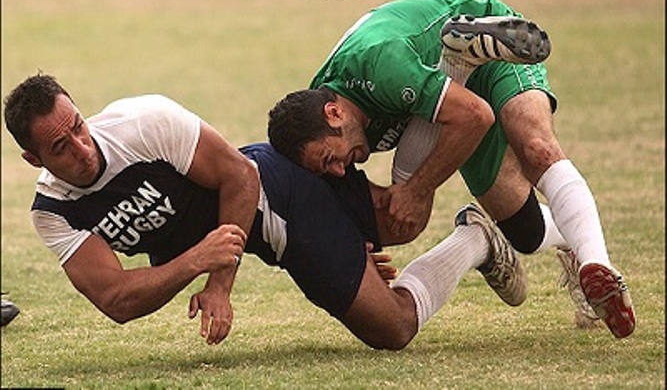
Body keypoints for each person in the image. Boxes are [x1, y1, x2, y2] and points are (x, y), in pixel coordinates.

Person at [3, 73, 526, 350]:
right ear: (33, 159)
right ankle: (481, 235)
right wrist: (195, 263)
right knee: (390, 224)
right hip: (249, 226)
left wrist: (219, 282)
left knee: (392, 325)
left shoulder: (143, 122)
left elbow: (240, 176)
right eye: (60, 146)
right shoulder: (53, 211)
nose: (81, 146)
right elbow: (115, 299)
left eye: (77, 124)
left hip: (275, 193)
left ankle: (475, 230)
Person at [267, 0, 635, 339]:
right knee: (525, 231)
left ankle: (596, 268)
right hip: (445, 105)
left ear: (334, 113)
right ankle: (458, 63)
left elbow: (475, 116)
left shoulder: (380, 65)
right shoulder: (319, 112)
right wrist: (354, 242)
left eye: (330, 159)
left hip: (492, 45)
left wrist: (416, 191)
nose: (337, 170)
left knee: (537, 147)